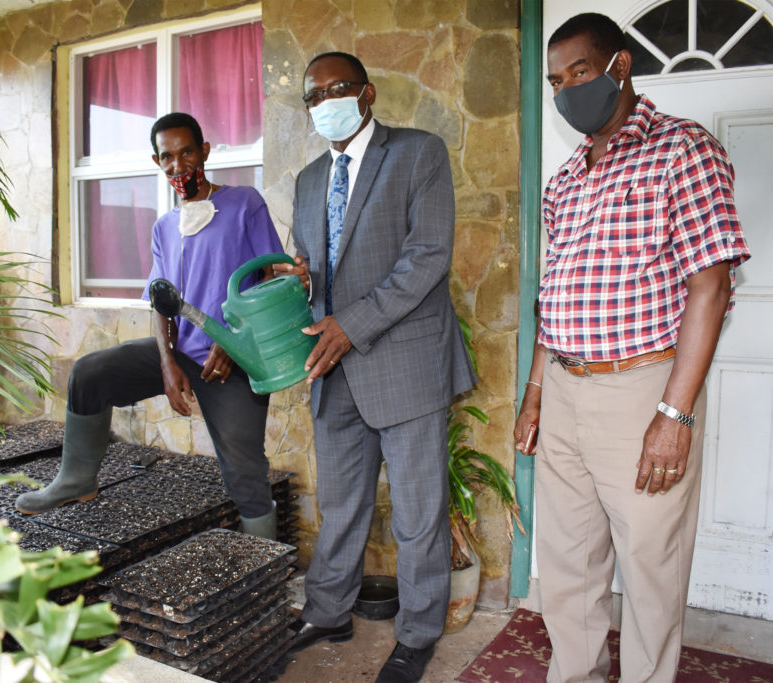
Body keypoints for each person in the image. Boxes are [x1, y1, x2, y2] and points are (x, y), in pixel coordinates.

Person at [513, 13, 751, 682]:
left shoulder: (683, 149)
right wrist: (535, 394)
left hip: (642, 390)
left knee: (650, 566)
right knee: (568, 563)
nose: (566, 90)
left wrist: (674, 414)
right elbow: (553, 296)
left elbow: (711, 285)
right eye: (556, 81)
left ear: (620, 67)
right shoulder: (565, 180)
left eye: (579, 72)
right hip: (564, 388)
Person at [272, 52, 475, 683]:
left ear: (367, 93)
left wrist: (349, 326)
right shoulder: (310, 178)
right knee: (340, 505)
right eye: (313, 95)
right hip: (332, 368)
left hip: (403, 363)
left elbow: (427, 257)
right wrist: (300, 280)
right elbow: (317, 265)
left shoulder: (417, 153)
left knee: (418, 513)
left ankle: (417, 634)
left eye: (337, 88)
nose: (325, 101)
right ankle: (328, 612)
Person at [16, 112, 283, 540]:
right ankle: (76, 480)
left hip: (234, 360)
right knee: (89, 373)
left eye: (187, 152)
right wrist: (166, 365)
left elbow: (271, 277)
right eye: (167, 157)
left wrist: (235, 340)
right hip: (184, 352)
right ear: (157, 161)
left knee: (245, 475)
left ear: (204, 152)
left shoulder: (244, 204)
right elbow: (161, 301)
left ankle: (264, 560)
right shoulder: (164, 227)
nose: (178, 165)